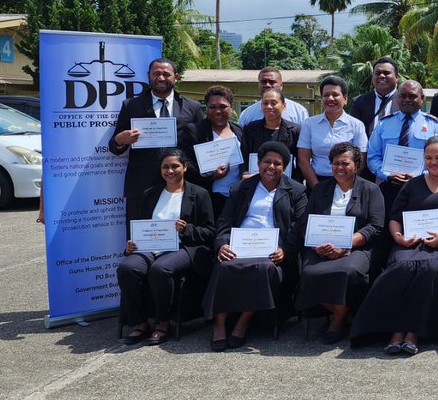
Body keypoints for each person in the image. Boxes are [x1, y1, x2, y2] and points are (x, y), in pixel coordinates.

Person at [350, 136, 438, 356]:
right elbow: (395, 217)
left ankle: (411, 332)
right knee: (402, 267)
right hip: (411, 241)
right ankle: (397, 329)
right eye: (428, 158)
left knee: (433, 268)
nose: (433, 162)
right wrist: (398, 237)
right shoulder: (413, 184)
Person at [204, 141, 308, 352]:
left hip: (272, 250)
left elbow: (299, 227)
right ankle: (220, 324)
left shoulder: (297, 191)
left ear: (285, 167)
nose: (271, 167)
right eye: (266, 162)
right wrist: (222, 245)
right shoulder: (241, 187)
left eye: (277, 163)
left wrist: (286, 250)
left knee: (264, 268)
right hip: (239, 245)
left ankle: (244, 320)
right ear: (258, 164)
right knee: (224, 266)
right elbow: (225, 221)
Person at [289, 142, 385, 345]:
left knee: (346, 272)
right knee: (309, 273)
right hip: (320, 246)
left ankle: (338, 320)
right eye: (335, 163)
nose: (339, 168)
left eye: (345, 163)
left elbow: (375, 226)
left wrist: (346, 244)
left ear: (357, 165)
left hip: (356, 247)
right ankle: (348, 313)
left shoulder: (371, 189)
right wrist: (315, 245)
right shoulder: (320, 189)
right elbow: (307, 221)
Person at [117, 149, 215, 346]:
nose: (170, 171)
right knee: (127, 268)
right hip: (150, 247)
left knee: (161, 269)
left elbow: (210, 231)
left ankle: (162, 323)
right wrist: (131, 243)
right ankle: (139, 322)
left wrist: (187, 229)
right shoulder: (150, 193)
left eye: (175, 166)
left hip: (183, 247)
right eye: (165, 167)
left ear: (185, 167)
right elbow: (141, 226)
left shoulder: (199, 194)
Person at [109, 58, 203, 217]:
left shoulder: (192, 107)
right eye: (156, 73)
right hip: (142, 186)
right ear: (148, 75)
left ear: (176, 77)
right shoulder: (131, 105)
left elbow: (201, 143)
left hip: (180, 185)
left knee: (180, 234)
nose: (160, 78)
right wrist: (120, 140)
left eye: (166, 74)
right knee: (139, 239)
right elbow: (114, 146)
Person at [366, 80, 438, 207]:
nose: (407, 99)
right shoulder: (384, 123)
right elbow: (373, 156)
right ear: (397, 98)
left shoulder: (434, 125)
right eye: (403, 96)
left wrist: (420, 176)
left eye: (412, 96)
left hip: (423, 187)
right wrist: (387, 175)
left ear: (422, 98)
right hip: (387, 187)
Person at [180, 85, 244, 218]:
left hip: (237, 197)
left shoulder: (239, 131)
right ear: (206, 108)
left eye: (223, 106)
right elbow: (186, 164)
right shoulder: (194, 131)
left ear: (231, 108)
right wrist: (212, 176)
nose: (217, 111)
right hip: (208, 198)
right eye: (212, 107)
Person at [297, 76, 368, 190]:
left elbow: (361, 160)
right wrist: (317, 187)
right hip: (316, 182)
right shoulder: (309, 124)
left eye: (335, 95)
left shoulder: (356, 125)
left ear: (345, 99)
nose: (330, 98)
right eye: (326, 95)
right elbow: (303, 160)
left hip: (347, 183)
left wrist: (346, 185)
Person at [240, 88, 302, 182]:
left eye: (274, 103)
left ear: (283, 106)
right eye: (265, 103)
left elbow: (300, 162)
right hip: (255, 181)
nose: (269, 107)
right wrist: (244, 173)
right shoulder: (250, 129)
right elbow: (243, 157)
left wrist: (294, 182)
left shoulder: (295, 131)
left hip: (285, 184)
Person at [236, 67, 311, 126]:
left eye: (272, 82)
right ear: (258, 85)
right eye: (263, 82)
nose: (267, 85)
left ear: (281, 85)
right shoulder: (248, 114)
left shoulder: (299, 111)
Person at [349, 56, 401, 137]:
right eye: (377, 73)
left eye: (386, 73)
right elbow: (352, 132)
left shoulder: (405, 101)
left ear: (397, 77)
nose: (381, 76)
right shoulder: (359, 102)